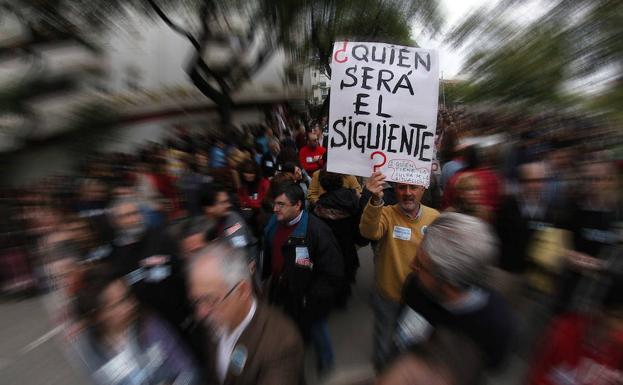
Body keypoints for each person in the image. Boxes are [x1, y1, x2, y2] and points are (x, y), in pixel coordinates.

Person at [399, 212, 514, 370]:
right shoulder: (415, 286)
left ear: (449, 284)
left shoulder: (497, 324)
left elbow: (490, 368)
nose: (412, 266)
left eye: (420, 264)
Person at [188, 242, 305, 385]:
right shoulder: (213, 323)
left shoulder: (282, 343)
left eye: (210, 300)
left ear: (242, 291)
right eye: (197, 301)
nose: (201, 313)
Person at [359, 171, 439, 370]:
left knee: (414, 342)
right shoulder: (386, 213)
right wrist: (375, 199)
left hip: (421, 298)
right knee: (384, 341)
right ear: (395, 189)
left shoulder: (435, 217)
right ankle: (384, 372)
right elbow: (368, 231)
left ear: (423, 188)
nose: (407, 193)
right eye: (402, 187)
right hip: (389, 295)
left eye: (413, 187)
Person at [262, 183, 343, 374]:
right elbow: (267, 249)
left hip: (308, 296)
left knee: (317, 328)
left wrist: (314, 297)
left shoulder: (317, 231)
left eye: (281, 204)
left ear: (298, 205)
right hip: (283, 290)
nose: (275, 209)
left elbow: (333, 271)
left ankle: (326, 360)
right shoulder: (274, 222)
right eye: (275, 204)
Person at [74, 265, 200, 385]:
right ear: (99, 314)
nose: (131, 304)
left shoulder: (150, 325)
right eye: (120, 302)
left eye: (129, 295)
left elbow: (189, 370)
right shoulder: (89, 350)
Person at [106, 197, 192, 342]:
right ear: (116, 222)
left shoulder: (160, 237)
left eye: (135, 213)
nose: (134, 218)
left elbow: (182, 270)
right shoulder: (114, 257)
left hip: (183, 318)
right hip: (152, 330)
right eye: (127, 216)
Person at [528, 277, 623, 385]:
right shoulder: (564, 331)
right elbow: (537, 377)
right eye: (618, 317)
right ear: (600, 310)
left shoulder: (618, 350)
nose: (620, 327)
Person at [313, 171, 362, 305]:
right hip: (348, 240)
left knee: (334, 269)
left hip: (331, 244)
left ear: (323, 184)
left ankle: (336, 297)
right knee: (347, 266)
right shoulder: (352, 196)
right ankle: (344, 295)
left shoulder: (322, 202)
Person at [201, 184, 258, 267]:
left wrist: (252, 260)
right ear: (209, 208)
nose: (229, 205)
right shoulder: (201, 231)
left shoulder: (234, 218)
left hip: (245, 272)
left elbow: (248, 245)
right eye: (223, 202)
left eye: (227, 201)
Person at [237, 160, 270, 236]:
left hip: (263, 215)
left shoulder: (264, 183)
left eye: (251, 173)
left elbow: (263, 201)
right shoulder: (243, 187)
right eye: (246, 172)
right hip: (248, 217)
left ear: (256, 173)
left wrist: (249, 204)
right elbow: (241, 202)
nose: (248, 175)